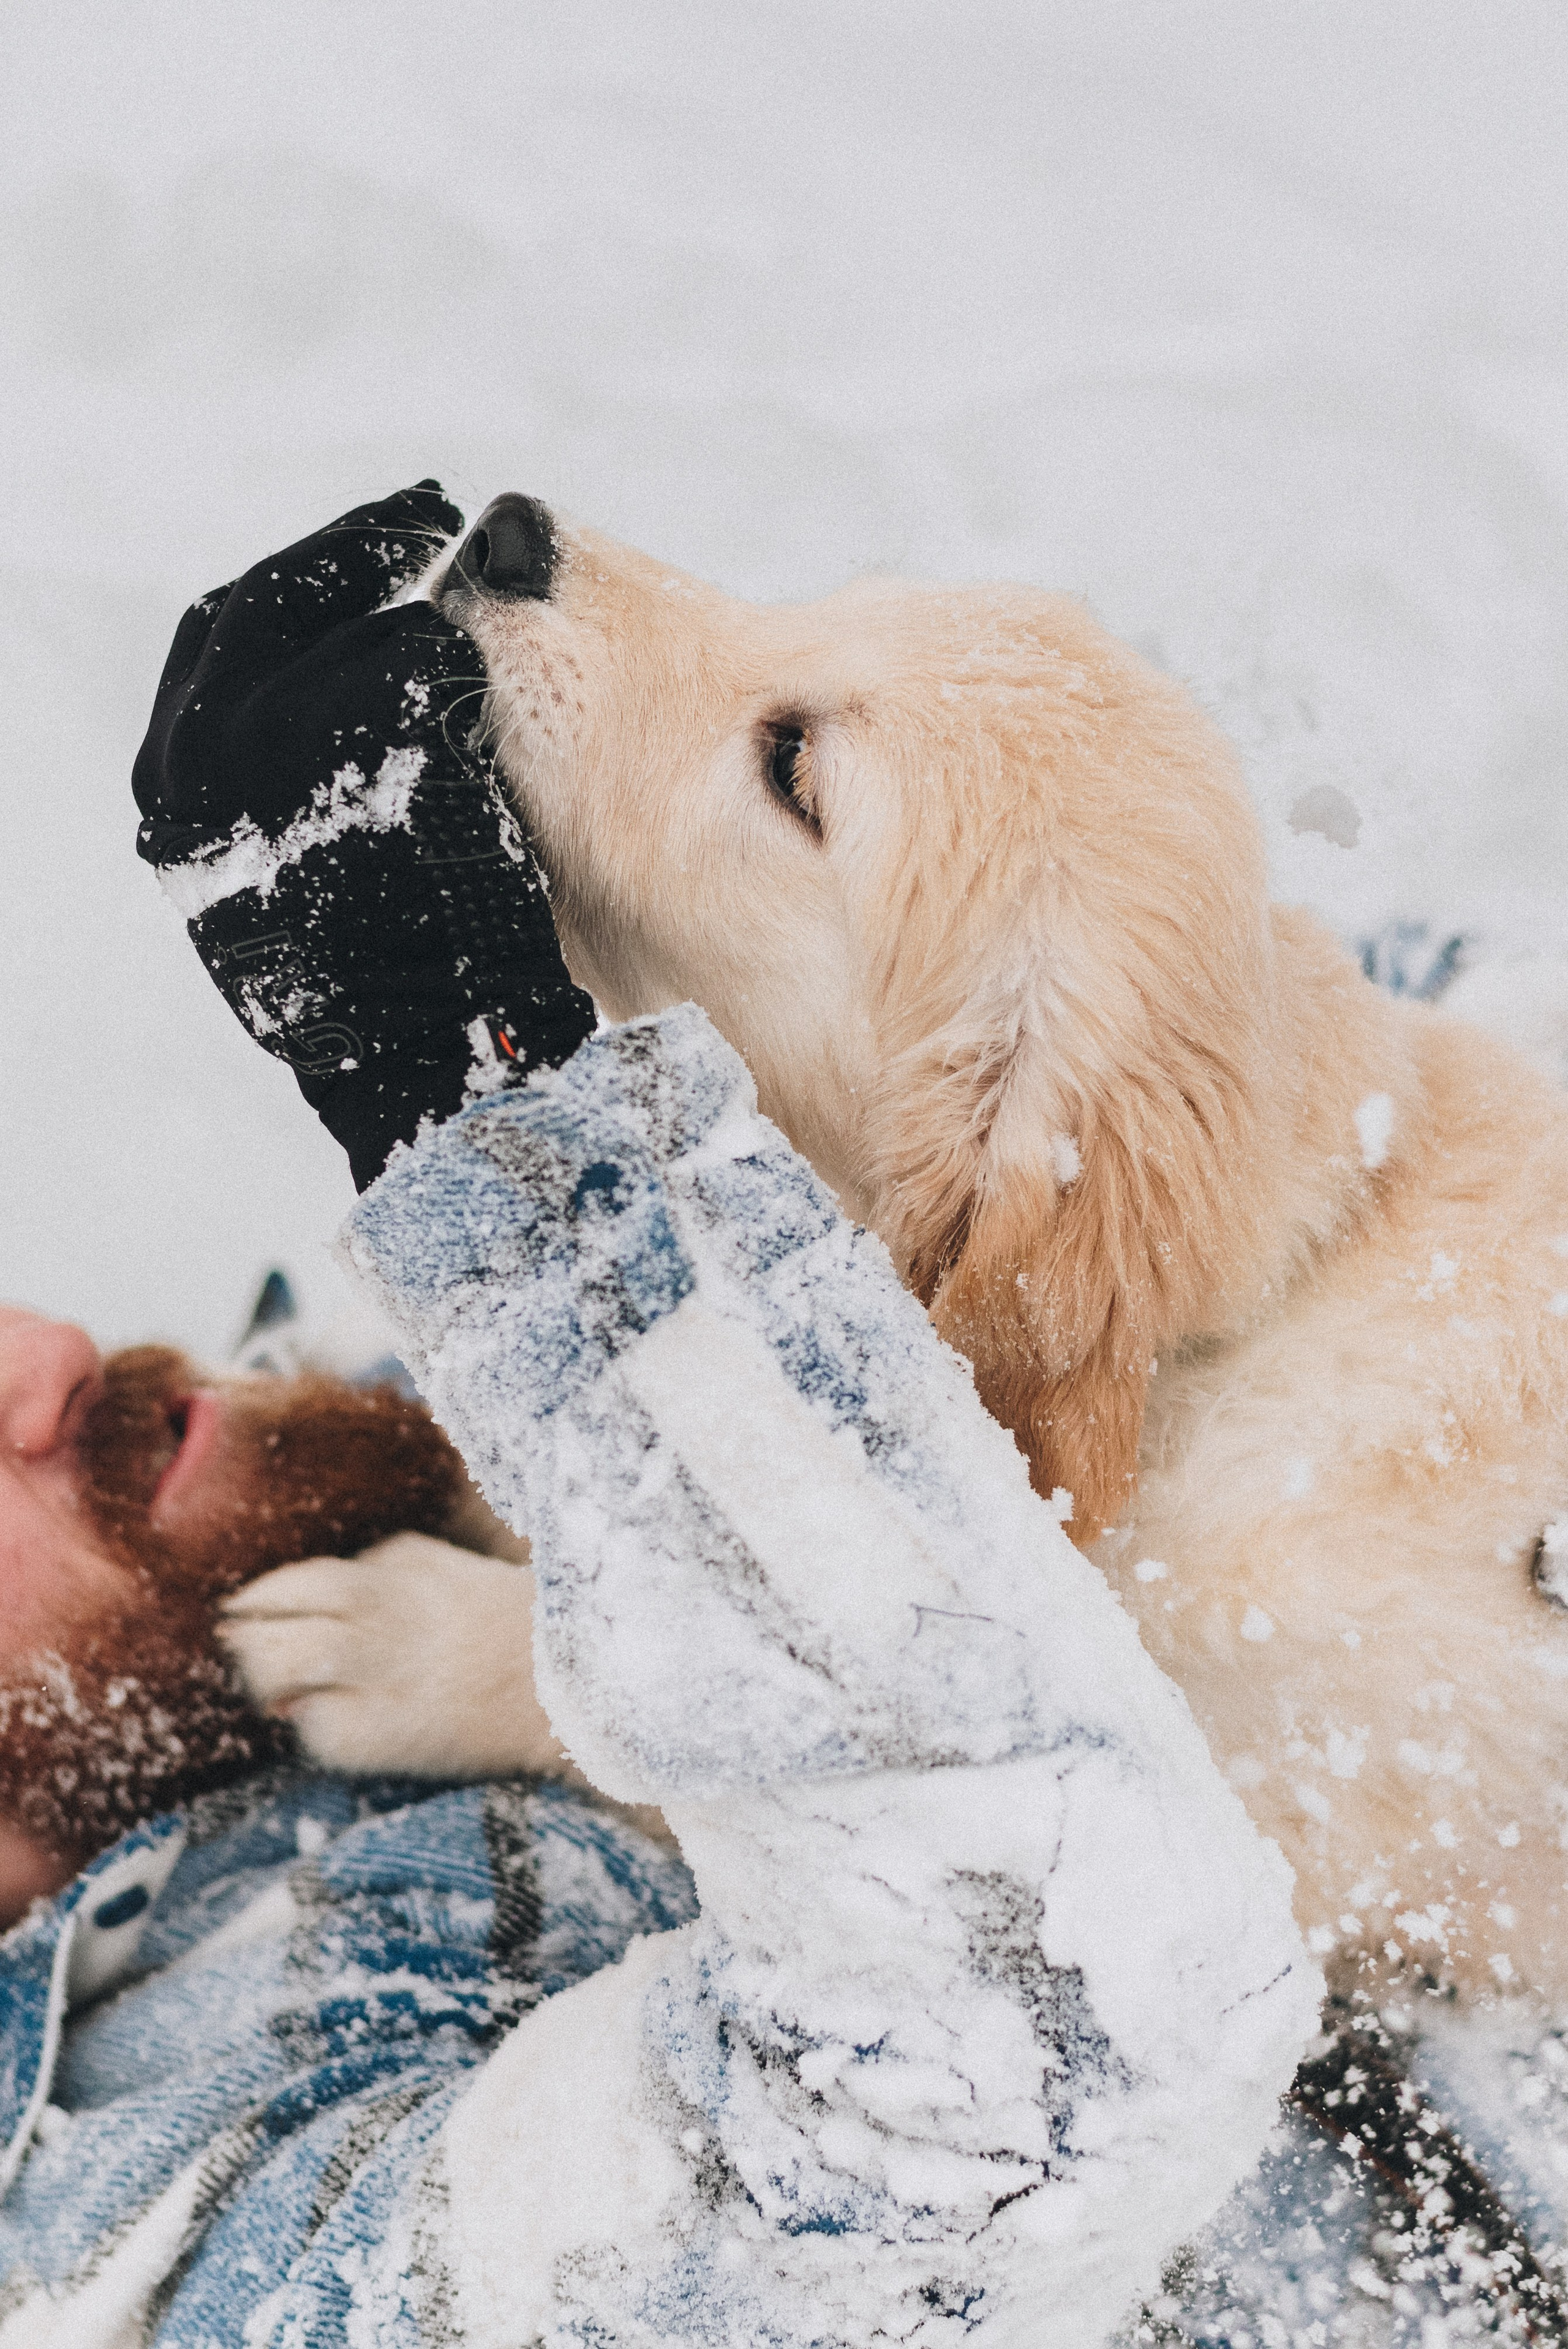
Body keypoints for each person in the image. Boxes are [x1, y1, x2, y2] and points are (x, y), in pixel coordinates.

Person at [0, 486, 1319, 2346]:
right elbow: (1032, 2071)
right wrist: (512, 1165)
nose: (42, 1354)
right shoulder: (162, 2227)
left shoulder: (358, 1435)